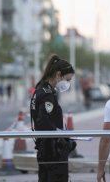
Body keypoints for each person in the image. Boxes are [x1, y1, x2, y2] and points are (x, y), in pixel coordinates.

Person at [30, 54, 77, 182]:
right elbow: (43, 121)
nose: (67, 83)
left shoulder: (41, 89)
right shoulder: (47, 95)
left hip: (45, 147)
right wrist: (62, 137)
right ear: (58, 75)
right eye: (67, 79)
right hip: (52, 150)